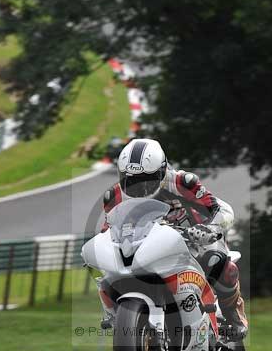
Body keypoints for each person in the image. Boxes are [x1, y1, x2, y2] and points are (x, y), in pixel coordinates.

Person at [100, 138, 248, 338]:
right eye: (132, 180)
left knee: (219, 262)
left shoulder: (182, 182)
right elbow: (107, 230)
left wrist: (210, 228)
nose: (140, 188)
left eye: (147, 179)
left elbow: (220, 208)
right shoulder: (114, 196)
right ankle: (115, 315)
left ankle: (233, 317)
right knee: (107, 272)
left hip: (194, 242)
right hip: (146, 247)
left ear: (162, 171)